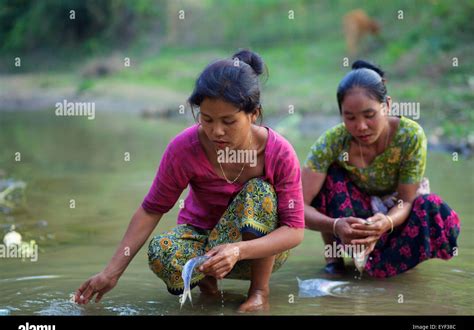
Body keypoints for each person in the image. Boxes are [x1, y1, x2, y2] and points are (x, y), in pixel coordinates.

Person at [75, 49, 305, 312]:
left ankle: (259, 292)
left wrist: (238, 250)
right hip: (202, 246)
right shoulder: (184, 148)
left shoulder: (279, 152)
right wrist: (111, 274)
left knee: (259, 191)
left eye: (228, 121)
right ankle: (209, 290)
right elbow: (152, 209)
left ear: (254, 114)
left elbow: (294, 229)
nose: (216, 131)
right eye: (207, 119)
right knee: (161, 250)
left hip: (257, 252)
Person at [302, 60, 460, 277]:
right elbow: (297, 206)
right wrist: (335, 225)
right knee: (330, 176)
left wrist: (386, 221)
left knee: (432, 208)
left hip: (395, 213)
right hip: (351, 218)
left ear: (387, 105)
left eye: (369, 115)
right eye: (350, 117)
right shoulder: (331, 142)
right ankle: (334, 258)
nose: (361, 126)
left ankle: (389, 261)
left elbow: (406, 200)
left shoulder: (410, 136)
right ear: (341, 114)